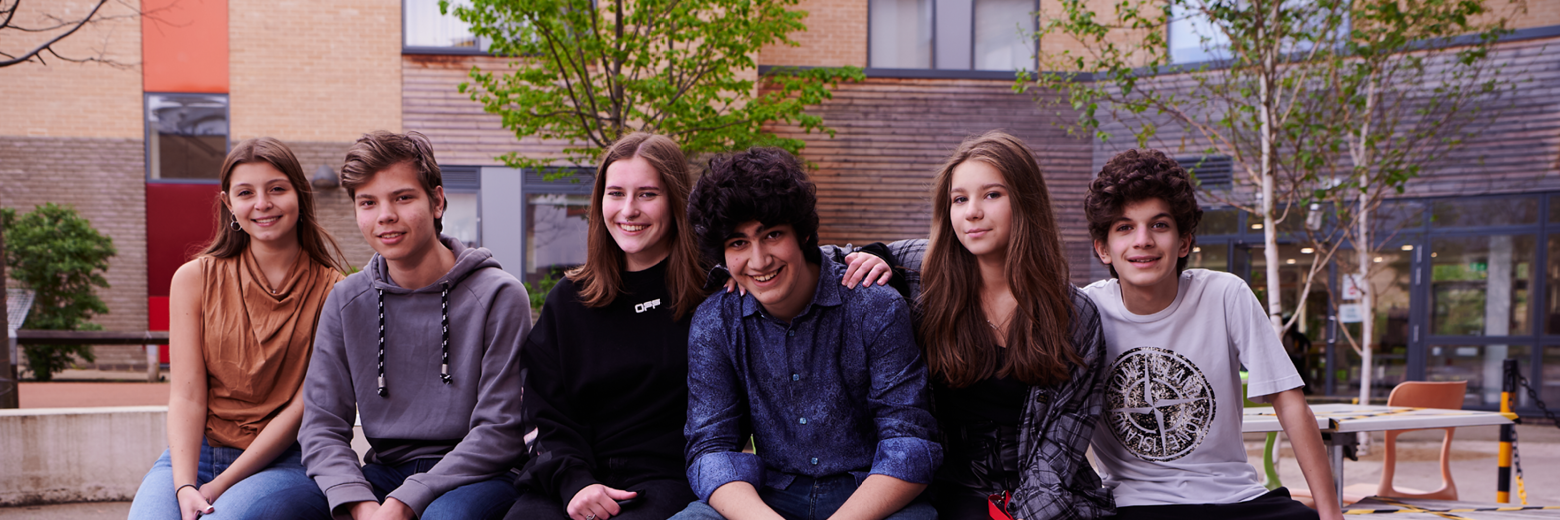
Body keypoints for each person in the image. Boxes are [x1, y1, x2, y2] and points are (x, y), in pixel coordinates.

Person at [504, 134, 895, 520]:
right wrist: (575, 482)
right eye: (616, 193)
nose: (628, 210)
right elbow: (543, 410)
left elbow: (787, 259)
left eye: (647, 194)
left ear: (676, 202)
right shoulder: (569, 300)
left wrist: (870, 256)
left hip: (665, 481)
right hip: (572, 482)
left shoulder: (715, 289)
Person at [670, 147, 941, 520]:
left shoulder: (875, 306)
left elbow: (910, 441)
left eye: (772, 235)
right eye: (738, 243)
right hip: (768, 499)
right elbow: (711, 448)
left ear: (804, 234)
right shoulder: (716, 321)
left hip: (869, 495)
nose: (759, 260)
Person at [1080, 149, 1341, 520]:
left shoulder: (1225, 294)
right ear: (1103, 248)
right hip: (1135, 504)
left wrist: (1330, 512)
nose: (1143, 240)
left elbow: (1288, 400)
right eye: (1125, 227)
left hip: (1234, 498)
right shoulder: (1085, 311)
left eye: (1159, 225)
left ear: (1184, 242)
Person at [299, 131, 529, 520]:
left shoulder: (499, 295)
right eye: (368, 203)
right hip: (383, 473)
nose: (385, 215)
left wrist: (406, 502)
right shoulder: (345, 300)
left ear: (437, 201)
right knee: (274, 509)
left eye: (402, 198)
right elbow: (321, 425)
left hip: (478, 475)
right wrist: (357, 500)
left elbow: (500, 430)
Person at [128, 137, 345, 520]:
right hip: (195, 457)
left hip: (284, 461)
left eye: (277, 189)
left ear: (300, 193)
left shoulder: (335, 291)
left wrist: (218, 486)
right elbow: (187, 396)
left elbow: (303, 406)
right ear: (229, 203)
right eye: (246, 192)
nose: (262, 204)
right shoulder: (193, 279)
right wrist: (184, 485)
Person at [913, 131, 1113, 519]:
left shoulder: (1074, 315)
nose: (972, 211)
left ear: (1024, 201)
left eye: (991, 195)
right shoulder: (925, 283)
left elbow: (1055, 460)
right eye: (959, 199)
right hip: (943, 495)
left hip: (1045, 499)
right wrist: (871, 257)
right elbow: (817, 263)